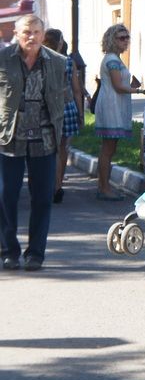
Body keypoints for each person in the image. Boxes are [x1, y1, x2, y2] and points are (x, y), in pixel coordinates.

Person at [0, 15, 66, 271]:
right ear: (16, 33)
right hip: (9, 138)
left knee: (42, 198)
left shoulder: (58, 62)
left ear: (42, 34)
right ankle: (9, 251)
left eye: (37, 32)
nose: (32, 37)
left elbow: (62, 96)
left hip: (45, 139)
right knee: (6, 196)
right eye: (27, 32)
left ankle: (35, 253)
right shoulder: (4, 59)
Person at [94, 24, 144, 201]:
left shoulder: (114, 58)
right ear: (111, 39)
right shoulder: (112, 60)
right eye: (121, 38)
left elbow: (121, 86)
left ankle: (103, 186)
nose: (125, 41)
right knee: (108, 148)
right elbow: (118, 86)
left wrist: (132, 87)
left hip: (113, 104)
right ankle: (104, 188)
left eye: (126, 37)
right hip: (111, 106)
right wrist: (140, 92)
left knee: (109, 148)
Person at [42, 29, 82, 204]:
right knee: (62, 147)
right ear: (59, 43)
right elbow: (76, 89)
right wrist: (81, 112)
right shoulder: (68, 62)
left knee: (47, 148)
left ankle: (45, 185)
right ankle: (57, 186)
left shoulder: (39, 60)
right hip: (66, 107)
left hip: (44, 108)